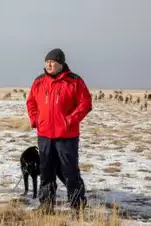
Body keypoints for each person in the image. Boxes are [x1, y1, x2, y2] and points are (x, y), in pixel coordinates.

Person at [26, 48, 92, 214]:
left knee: (69, 171)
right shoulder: (39, 81)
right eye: (47, 61)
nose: (49, 64)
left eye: (52, 61)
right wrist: (35, 119)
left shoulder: (74, 81)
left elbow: (85, 104)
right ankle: (46, 206)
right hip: (45, 135)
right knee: (46, 171)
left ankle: (78, 206)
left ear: (61, 64)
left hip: (67, 136)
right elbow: (31, 102)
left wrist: (70, 120)